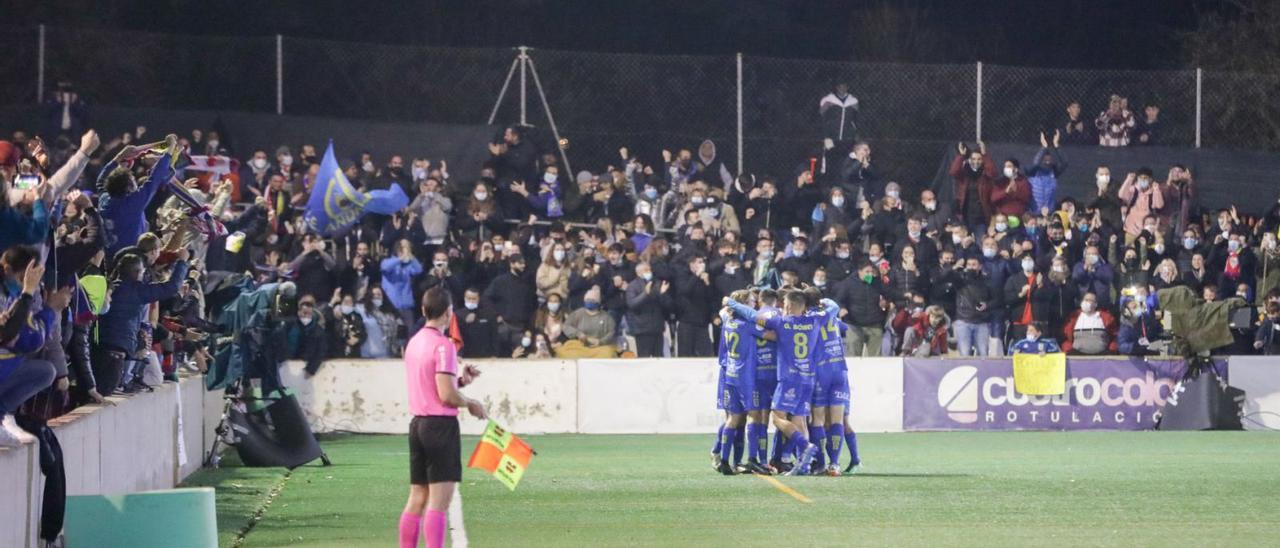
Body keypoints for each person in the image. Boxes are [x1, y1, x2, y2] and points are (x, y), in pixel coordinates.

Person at [399, 287, 487, 548]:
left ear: (424, 310)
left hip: (418, 424)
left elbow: (434, 385)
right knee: (439, 502)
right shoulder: (443, 345)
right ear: (449, 313)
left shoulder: (414, 342)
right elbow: (446, 395)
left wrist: (461, 381)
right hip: (439, 427)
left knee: (417, 497)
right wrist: (470, 403)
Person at [724, 289, 834, 476]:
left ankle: (805, 446)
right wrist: (819, 299)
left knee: (777, 419)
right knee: (798, 419)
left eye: (784, 304)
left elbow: (753, 315)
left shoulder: (782, 323)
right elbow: (834, 306)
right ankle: (804, 465)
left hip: (788, 379)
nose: (782, 307)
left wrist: (731, 303)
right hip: (807, 377)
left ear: (789, 307)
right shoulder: (815, 320)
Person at [711, 289, 764, 475]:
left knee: (733, 418)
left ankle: (724, 461)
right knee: (754, 416)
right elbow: (771, 334)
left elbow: (723, 312)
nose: (753, 305)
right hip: (745, 376)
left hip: (730, 375)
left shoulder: (728, 322)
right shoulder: (748, 324)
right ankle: (752, 459)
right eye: (750, 301)